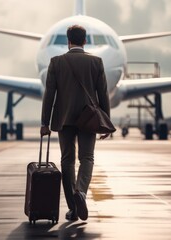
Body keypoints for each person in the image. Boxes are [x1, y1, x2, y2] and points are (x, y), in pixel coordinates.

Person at [40, 25, 111, 221]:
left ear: (68, 41)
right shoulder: (96, 62)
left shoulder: (57, 62)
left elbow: (49, 95)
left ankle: (73, 206)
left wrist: (45, 122)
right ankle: (81, 192)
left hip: (64, 119)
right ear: (85, 41)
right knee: (87, 158)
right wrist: (106, 121)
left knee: (67, 160)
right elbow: (103, 94)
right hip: (89, 119)